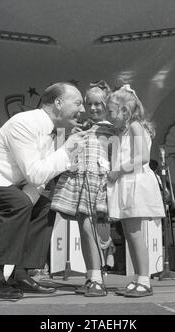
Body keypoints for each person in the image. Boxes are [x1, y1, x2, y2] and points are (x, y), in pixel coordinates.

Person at [0, 82, 87, 299]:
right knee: (18, 204)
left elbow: (39, 181)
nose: (83, 110)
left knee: (44, 205)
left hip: (0, 179)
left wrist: (66, 157)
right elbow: (35, 174)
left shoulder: (51, 132)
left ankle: (19, 273)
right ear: (58, 103)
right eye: (78, 103)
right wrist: (67, 150)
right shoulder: (25, 122)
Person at [51, 80, 114, 297]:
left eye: (99, 104)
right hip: (80, 180)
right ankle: (91, 276)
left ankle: (97, 278)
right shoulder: (82, 127)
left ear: (107, 104)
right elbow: (62, 148)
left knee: (91, 229)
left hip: (98, 182)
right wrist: (70, 134)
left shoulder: (110, 129)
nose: (94, 108)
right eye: (91, 104)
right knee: (83, 228)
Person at [106, 84, 165, 298]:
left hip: (135, 183)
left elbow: (143, 157)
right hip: (127, 182)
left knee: (135, 233)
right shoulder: (126, 129)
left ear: (124, 111)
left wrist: (117, 170)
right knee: (130, 233)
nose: (108, 116)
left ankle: (144, 280)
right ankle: (139, 277)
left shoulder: (135, 127)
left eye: (111, 111)